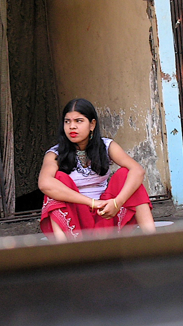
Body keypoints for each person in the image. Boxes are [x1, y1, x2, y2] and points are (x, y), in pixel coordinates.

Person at [38, 98, 155, 240]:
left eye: (78, 121)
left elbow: (138, 170)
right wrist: (91, 203)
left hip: (107, 213)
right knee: (57, 180)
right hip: (76, 218)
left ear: (92, 124)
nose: (72, 127)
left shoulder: (107, 146)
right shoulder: (55, 154)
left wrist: (117, 202)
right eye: (67, 121)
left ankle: (152, 241)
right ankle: (65, 252)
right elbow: (44, 183)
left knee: (127, 174)